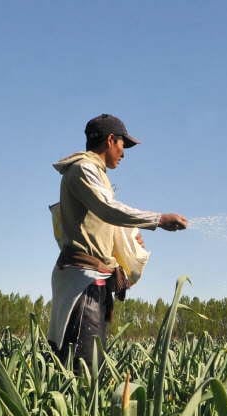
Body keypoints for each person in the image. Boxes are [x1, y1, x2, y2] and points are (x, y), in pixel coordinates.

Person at [47, 113, 188, 370]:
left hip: (92, 278)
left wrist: (129, 238)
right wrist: (158, 219)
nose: (123, 153)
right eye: (123, 145)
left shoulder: (96, 174)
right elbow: (106, 208)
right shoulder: (83, 169)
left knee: (88, 368)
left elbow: (100, 220)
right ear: (111, 140)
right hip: (82, 280)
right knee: (83, 371)